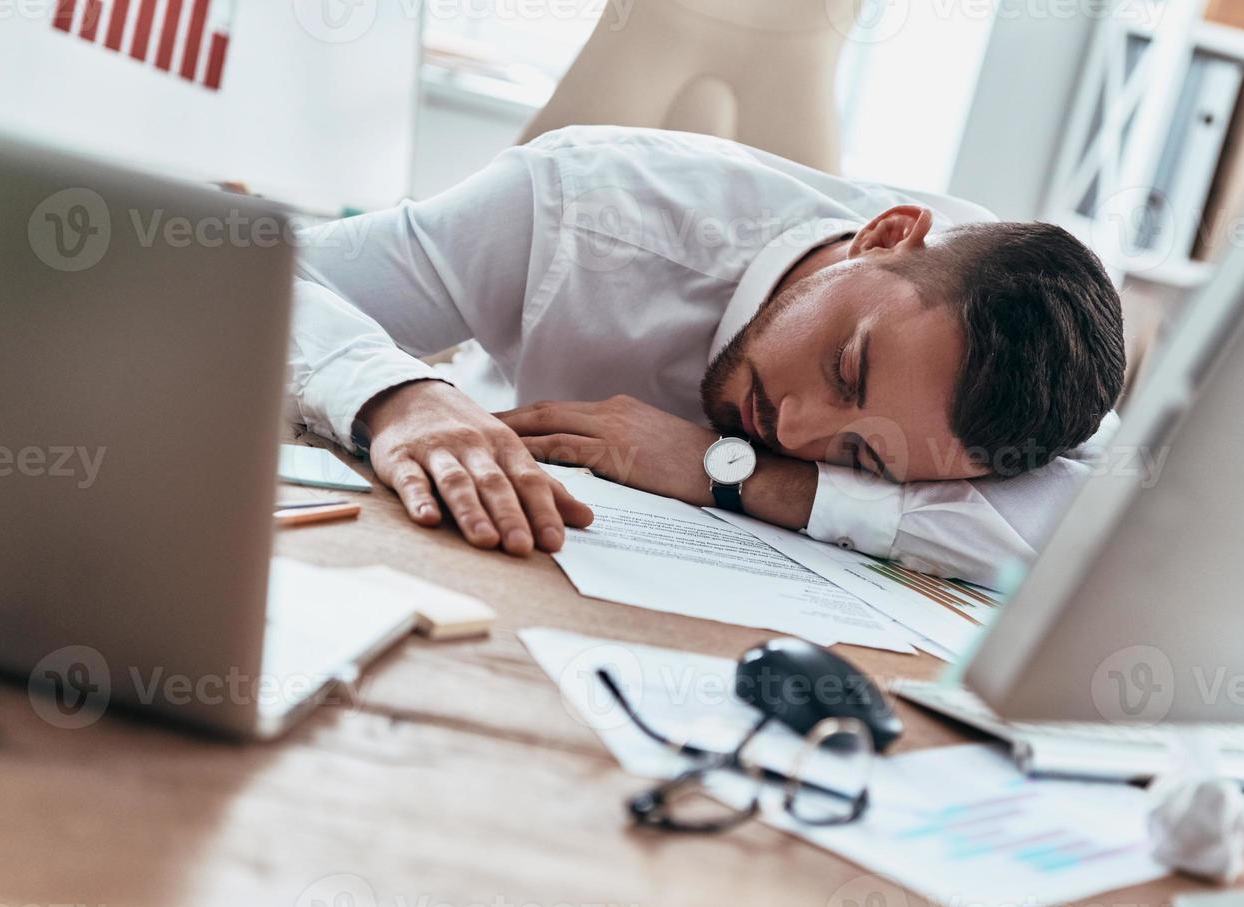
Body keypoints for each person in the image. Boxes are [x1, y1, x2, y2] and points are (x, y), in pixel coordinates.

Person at [288, 126, 1126, 588]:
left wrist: (735, 474)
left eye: (859, 454)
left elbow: (1118, 541)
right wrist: (401, 394)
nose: (793, 427)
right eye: (846, 369)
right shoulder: (582, 207)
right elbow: (252, 272)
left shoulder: (1017, 376)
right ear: (884, 235)